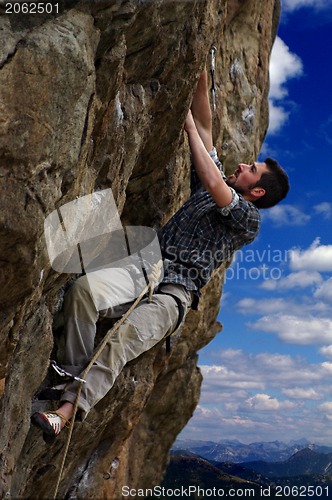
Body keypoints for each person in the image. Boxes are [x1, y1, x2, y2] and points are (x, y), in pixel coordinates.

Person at [31, 67, 289, 442]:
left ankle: (66, 412)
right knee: (83, 292)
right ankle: (67, 376)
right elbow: (205, 125)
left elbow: (210, 171)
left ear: (258, 192)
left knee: (122, 340)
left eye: (252, 169)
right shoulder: (214, 192)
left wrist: (185, 125)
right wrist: (199, 77)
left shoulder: (247, 219)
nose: (243, 165)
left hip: (174, 295)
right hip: (146, 267)